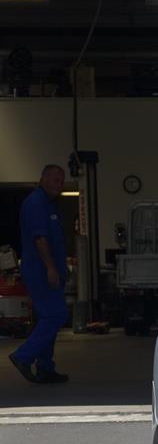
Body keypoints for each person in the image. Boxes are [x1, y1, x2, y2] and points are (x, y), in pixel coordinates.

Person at [9, 164, 70, 384]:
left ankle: (45, 367)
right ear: (42, 179)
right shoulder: (36, 203)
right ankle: (23, 356)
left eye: (61, 181)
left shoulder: (50, 205)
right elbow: (39, 239)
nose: (59, 184)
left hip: (49, 270)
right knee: (57, 315)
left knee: (49, 317)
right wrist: (51, 268)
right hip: (41, 271)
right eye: (54, 179)